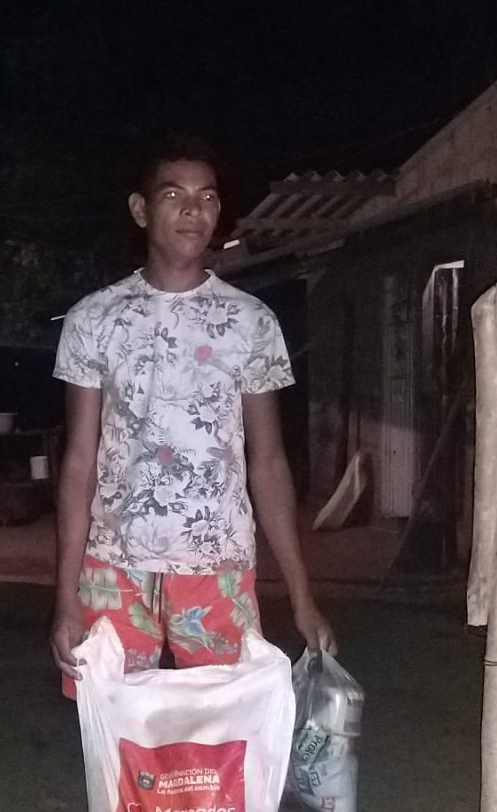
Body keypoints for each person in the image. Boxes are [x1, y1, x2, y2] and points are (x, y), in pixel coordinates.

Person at [49, 137, 335, 695]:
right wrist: (65, 597)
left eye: (207, 197)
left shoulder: (251, 322)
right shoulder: (93, 319)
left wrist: (303, 598)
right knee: (116, 731)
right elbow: (79, 461)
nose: (193, 210)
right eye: (173, 195)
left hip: (218, 562)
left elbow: (268, 462)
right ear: (140, 210)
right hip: (114, 565)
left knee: (219, 731)